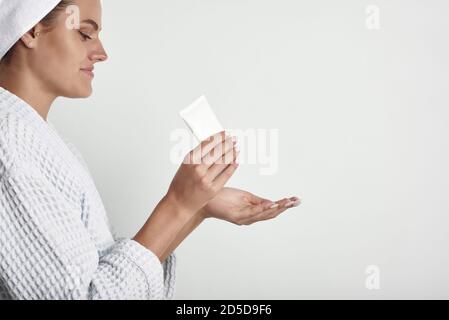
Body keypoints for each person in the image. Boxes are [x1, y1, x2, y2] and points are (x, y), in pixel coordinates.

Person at [0, 0, 301, 300]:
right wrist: (177, 204)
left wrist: (197, 207)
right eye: (84, 33)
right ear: (32, 30)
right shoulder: (9, 148)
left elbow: (106, 277)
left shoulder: (42, 142)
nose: (102, 53)